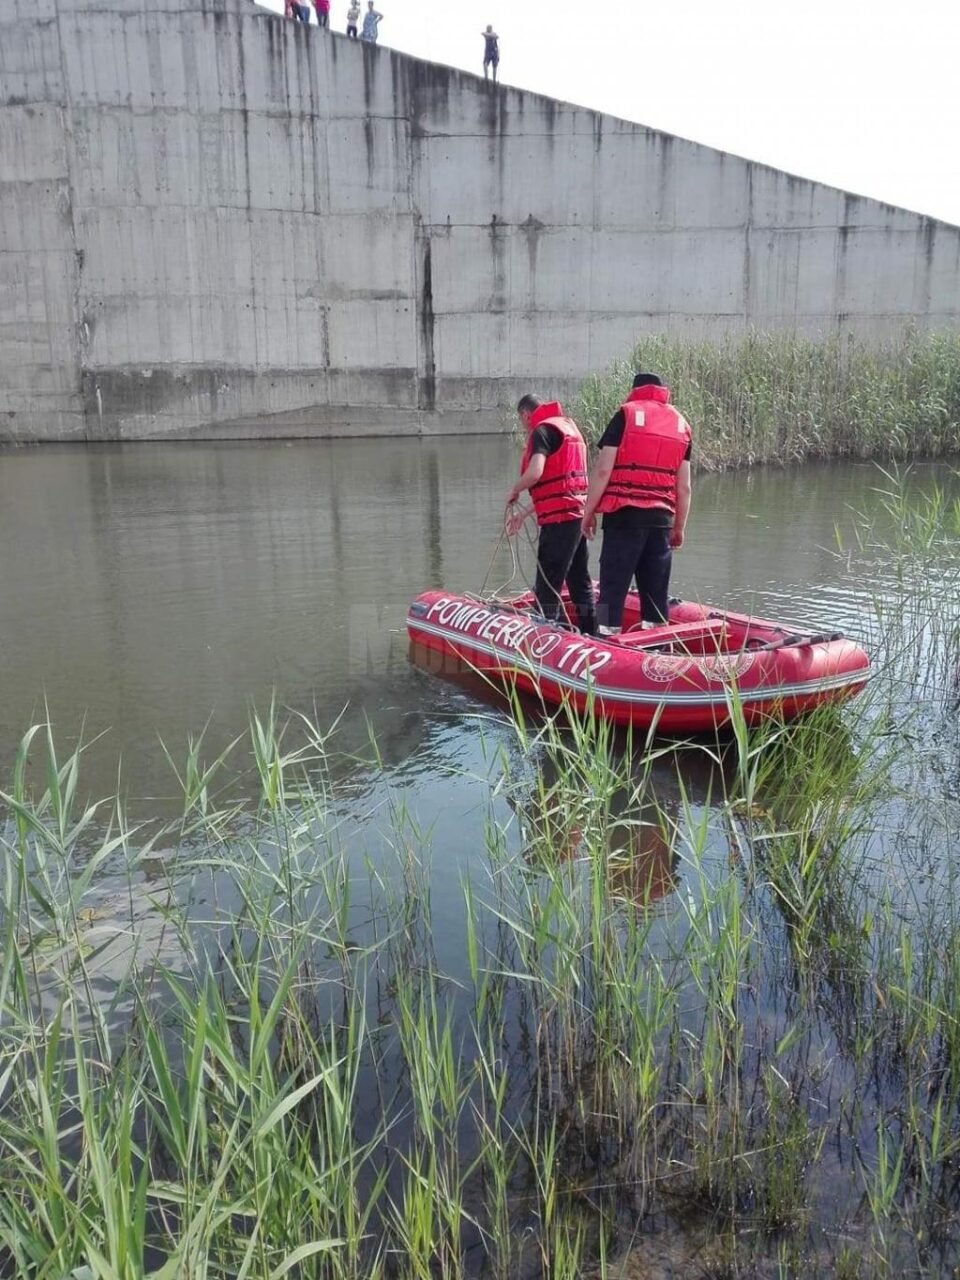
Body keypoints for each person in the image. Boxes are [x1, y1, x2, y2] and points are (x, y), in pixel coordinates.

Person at [581, 373, 692, 635]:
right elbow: (684, 487)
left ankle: (605, 640)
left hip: (624, 517)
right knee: (656, 593)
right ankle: (658, 649)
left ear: (635, 390)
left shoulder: (625, 415)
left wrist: (588, 512)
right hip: (662, 521)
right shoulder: (681, 424)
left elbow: (602, 470)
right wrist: (679, 527)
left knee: (612, 587)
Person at [505, 395, 597, 635]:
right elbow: (560, 488)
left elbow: (536, 473)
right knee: (580, 583)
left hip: (558, 522)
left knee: (547, 585)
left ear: (526, 415)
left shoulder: (541, 432)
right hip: (576, 516)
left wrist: (515, 489)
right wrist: (523, 515)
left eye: (522, 419)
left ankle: (544, 640)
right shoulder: (569, 428)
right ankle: (593, 634)